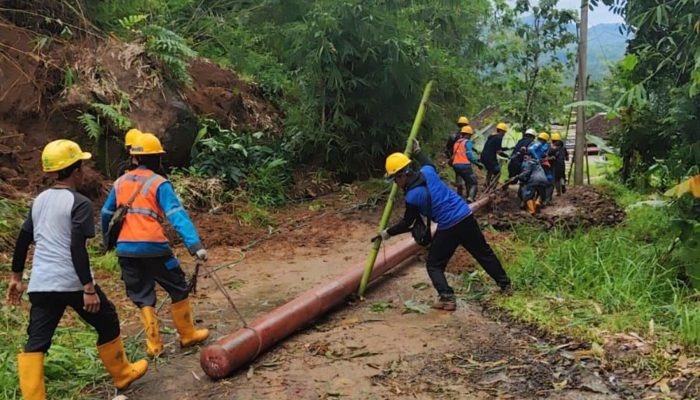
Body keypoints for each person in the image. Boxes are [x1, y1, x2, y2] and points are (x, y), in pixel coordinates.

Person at [8, 140, 148, 399]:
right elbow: (76, 247)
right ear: (75, 171)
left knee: (36, 342)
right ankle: (122, 374)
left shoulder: (39, 201)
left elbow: (23, 238)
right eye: (80, 167)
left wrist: (16, 277)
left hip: (41, 283)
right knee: (107, 319)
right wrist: (88, 287)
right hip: (71, 282)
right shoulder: (79, 203)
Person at [101, 133, 209, 357]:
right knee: (177, 286)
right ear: (157, 159)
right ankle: (187, 335)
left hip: (126, 249)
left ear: (135, 158)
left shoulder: (120, 182)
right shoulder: (159, 183)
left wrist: (107, 240)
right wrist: (195, 245)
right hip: (154, 247)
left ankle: (154, 346)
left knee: (142, 294)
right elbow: (176, 215)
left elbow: (106, 213)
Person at [375, 144, 512, 311]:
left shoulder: (412, 196)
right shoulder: (428, 173)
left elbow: (407, 223)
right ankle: (506, 286)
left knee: (434, 265)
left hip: (449, 227)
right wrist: (418, 151)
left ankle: (447, 298)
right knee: (484, 253)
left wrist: (387, 233)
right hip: (466, 216)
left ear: (402, 175)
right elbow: (428, 163)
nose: (395, 183)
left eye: (395, 179)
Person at [451, 126, 480, 202]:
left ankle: (463, 195)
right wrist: (478, 164)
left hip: (455, 165)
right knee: (474, 183)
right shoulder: (467, 142)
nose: (470, 137)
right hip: (464, 165)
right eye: (470, 135)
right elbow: (469, 156)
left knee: (467, 180)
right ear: (467, 134)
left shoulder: (456, 143)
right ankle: (470, 199)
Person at [516, 150, 549, 215]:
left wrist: (518, 176)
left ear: (530, 157)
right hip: (544, 180)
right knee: (540, 193)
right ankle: (537, 202)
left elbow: (526, 172)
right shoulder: (537, 163)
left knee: (528, 196)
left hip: (534, 180)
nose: (525, 159)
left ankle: (532, 211)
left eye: (526, 157)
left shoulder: (529, 163)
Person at [445, 116, 470, 196]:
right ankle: (468, 194)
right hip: (464, 160)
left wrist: (450, 158)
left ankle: (460, 193)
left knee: (458, 175)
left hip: (455, 159)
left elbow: (447, 148)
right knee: (467, 177)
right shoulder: (467, 137)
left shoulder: (453, 135)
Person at [481, 122, 508, 188]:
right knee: (498, 172)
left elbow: (495, 147)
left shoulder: (492, 136)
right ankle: (492, 187)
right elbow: (498, 151)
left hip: (483, 157)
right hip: (489, 158)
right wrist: (507, 156)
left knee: (490, 169)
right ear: (501, 131)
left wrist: (506, 148)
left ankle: (486, 183)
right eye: (504, 132)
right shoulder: (499, 137)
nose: (504, 134)